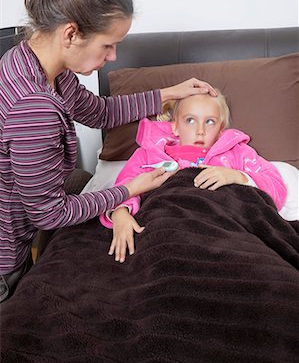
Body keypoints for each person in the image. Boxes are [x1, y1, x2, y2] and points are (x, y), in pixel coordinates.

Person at [0, 0, 217, 302]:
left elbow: (99, 112)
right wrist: (130, 189)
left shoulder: (35, 60)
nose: (113, 57)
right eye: (108, 45)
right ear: (71, 33)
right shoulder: (33, 106)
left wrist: (168, 93)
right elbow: (49, 214)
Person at [100, 89, 287, 263]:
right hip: (166, 225)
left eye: (210, 122)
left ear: (221, 129)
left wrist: (237, 176)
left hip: (222, 227)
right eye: (190, 120)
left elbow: (276, 185)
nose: (200, 130)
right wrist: (121, 213)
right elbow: (126, 186)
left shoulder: (236, 152)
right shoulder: (150, 154)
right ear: (174, 126)